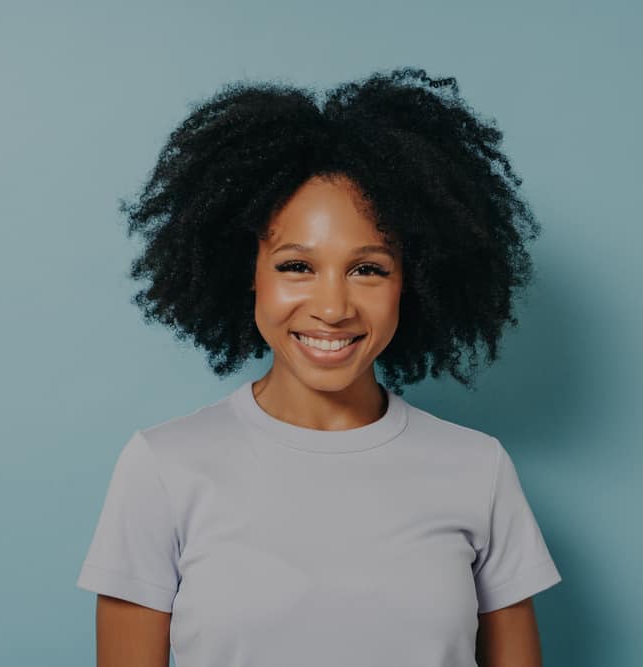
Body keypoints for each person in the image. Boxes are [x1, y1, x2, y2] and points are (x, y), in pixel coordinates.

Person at [76, 67, 562, 667]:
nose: (332, 308)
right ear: (244, 272)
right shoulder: (163, 467)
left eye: (368, 269)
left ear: (414, 283)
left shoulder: (478, 470)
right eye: (296, 267)